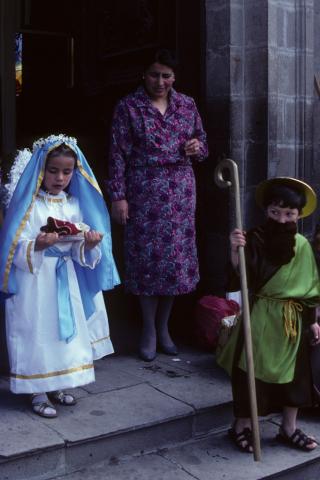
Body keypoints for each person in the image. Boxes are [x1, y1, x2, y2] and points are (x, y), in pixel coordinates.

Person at [0, 134, 120, 417]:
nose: (60, 177)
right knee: (37, 332)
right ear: (41, 169)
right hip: (35, 281)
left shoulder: (74, 204)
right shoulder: (30, 206)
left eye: (67, 171)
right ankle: (37, 391)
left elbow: (80, 249)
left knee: (62, 334)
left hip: (65, 277)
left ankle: (59, 384)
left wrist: (89, 244)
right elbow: (13, 248)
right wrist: (37, 245)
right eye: (53, 171)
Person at [106, 49, 208, 361]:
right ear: (144, 75)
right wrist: (118, 196)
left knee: (174, 264)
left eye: (166, 75)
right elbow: (117, 154)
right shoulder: (128, 107)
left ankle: (164, 328)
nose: (160, 81)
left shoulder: (187, 105)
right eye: (154, 74)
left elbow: (203, 146)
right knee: (147, 263)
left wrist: (197, 147)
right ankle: (148, 329)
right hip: (143, 193)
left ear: (174, 77)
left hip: (179, 193)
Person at [217, 177, 320, 453]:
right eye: (275, 212)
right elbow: (242, 278)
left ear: (299, 215)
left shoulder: (302, 245)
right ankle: (241, 426)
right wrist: (235, 250)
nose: (282, 219)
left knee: (297, 376)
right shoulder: (255, 239)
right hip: (260, 316)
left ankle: (288, 427)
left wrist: (313, 321)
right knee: (251, 372)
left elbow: (311, 287)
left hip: (291, 322)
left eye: (289, 214)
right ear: (266, 211)